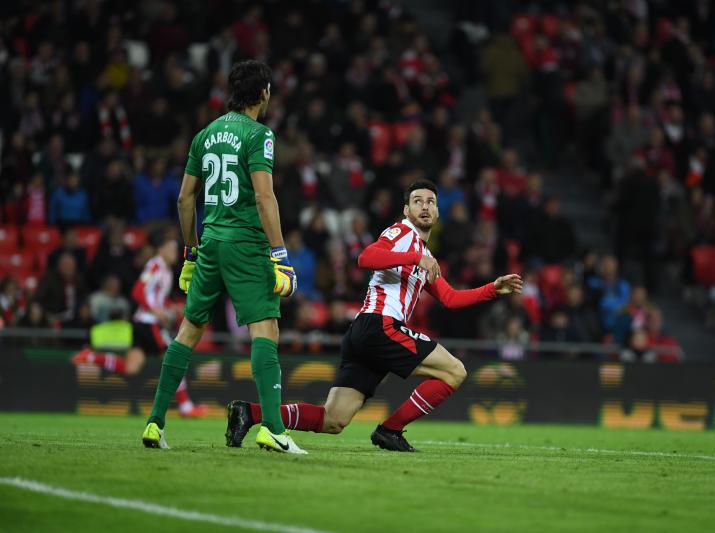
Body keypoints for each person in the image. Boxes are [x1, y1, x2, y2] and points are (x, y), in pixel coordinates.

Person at [225, 180, 523, 452]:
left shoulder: (423, 253)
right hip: (381, 325)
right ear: (406, 210)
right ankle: (390, 430)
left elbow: (450, 298)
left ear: (438, 212)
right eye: (417, 201)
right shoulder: (401, 233)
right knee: (454, 371)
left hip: (365, 334)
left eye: (431, 202)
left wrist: (492, 289)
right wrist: (415, 257)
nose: (425, 206)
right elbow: (366, 257)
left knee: (333, 420)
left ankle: (249, 413)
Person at [136, 60, 302, 453]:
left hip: (210, 244)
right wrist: (279, 255)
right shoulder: (260, 135)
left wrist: (191, 252)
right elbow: (264, 197)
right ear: (262, 93)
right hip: (246, 244)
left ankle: (155, 423)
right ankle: (274, 429)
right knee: (265, 330)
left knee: (188, 331)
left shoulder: (205, 135)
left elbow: (184, 199)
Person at [71, 232, 208, 417]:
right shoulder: (155, 265)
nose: (174, 253)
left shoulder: (165, 270)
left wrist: (170, 307)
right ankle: (186, 407)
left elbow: (155, 298)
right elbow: (137, 292)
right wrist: (156, 311)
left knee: (131, 368)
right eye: (171, 248)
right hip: (148, 323)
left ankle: (92, 357)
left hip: (142, 323)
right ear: (160, 249)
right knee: (175, 357)